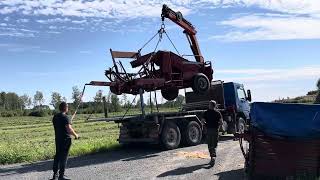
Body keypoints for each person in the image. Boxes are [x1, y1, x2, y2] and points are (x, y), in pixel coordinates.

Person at [51, 102, 79, 180]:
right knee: (64, 158)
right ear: (66, 108)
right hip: (65, 140)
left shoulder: (55, 117)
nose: (68, 108)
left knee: (57, 156)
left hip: (58, 139)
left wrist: (69, 121)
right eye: (67, 107)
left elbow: (62, 125)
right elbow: (69, 129)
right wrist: (76, 135)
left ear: (60, 108)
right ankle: (61, 176)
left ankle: (55, 175)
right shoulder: (65, 117)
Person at [203, 100, 223, 167]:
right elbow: (221, 122)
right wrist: (218, 127)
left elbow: (202, 121)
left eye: (209, 104)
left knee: (210, 144)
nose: (208, 105)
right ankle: (213, 157)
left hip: (209, 130)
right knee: (214, 144)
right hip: (215, 130)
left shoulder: (206, 112)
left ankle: (212, 157)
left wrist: (205, 125)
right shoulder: (218, 113)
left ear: (210, 105)